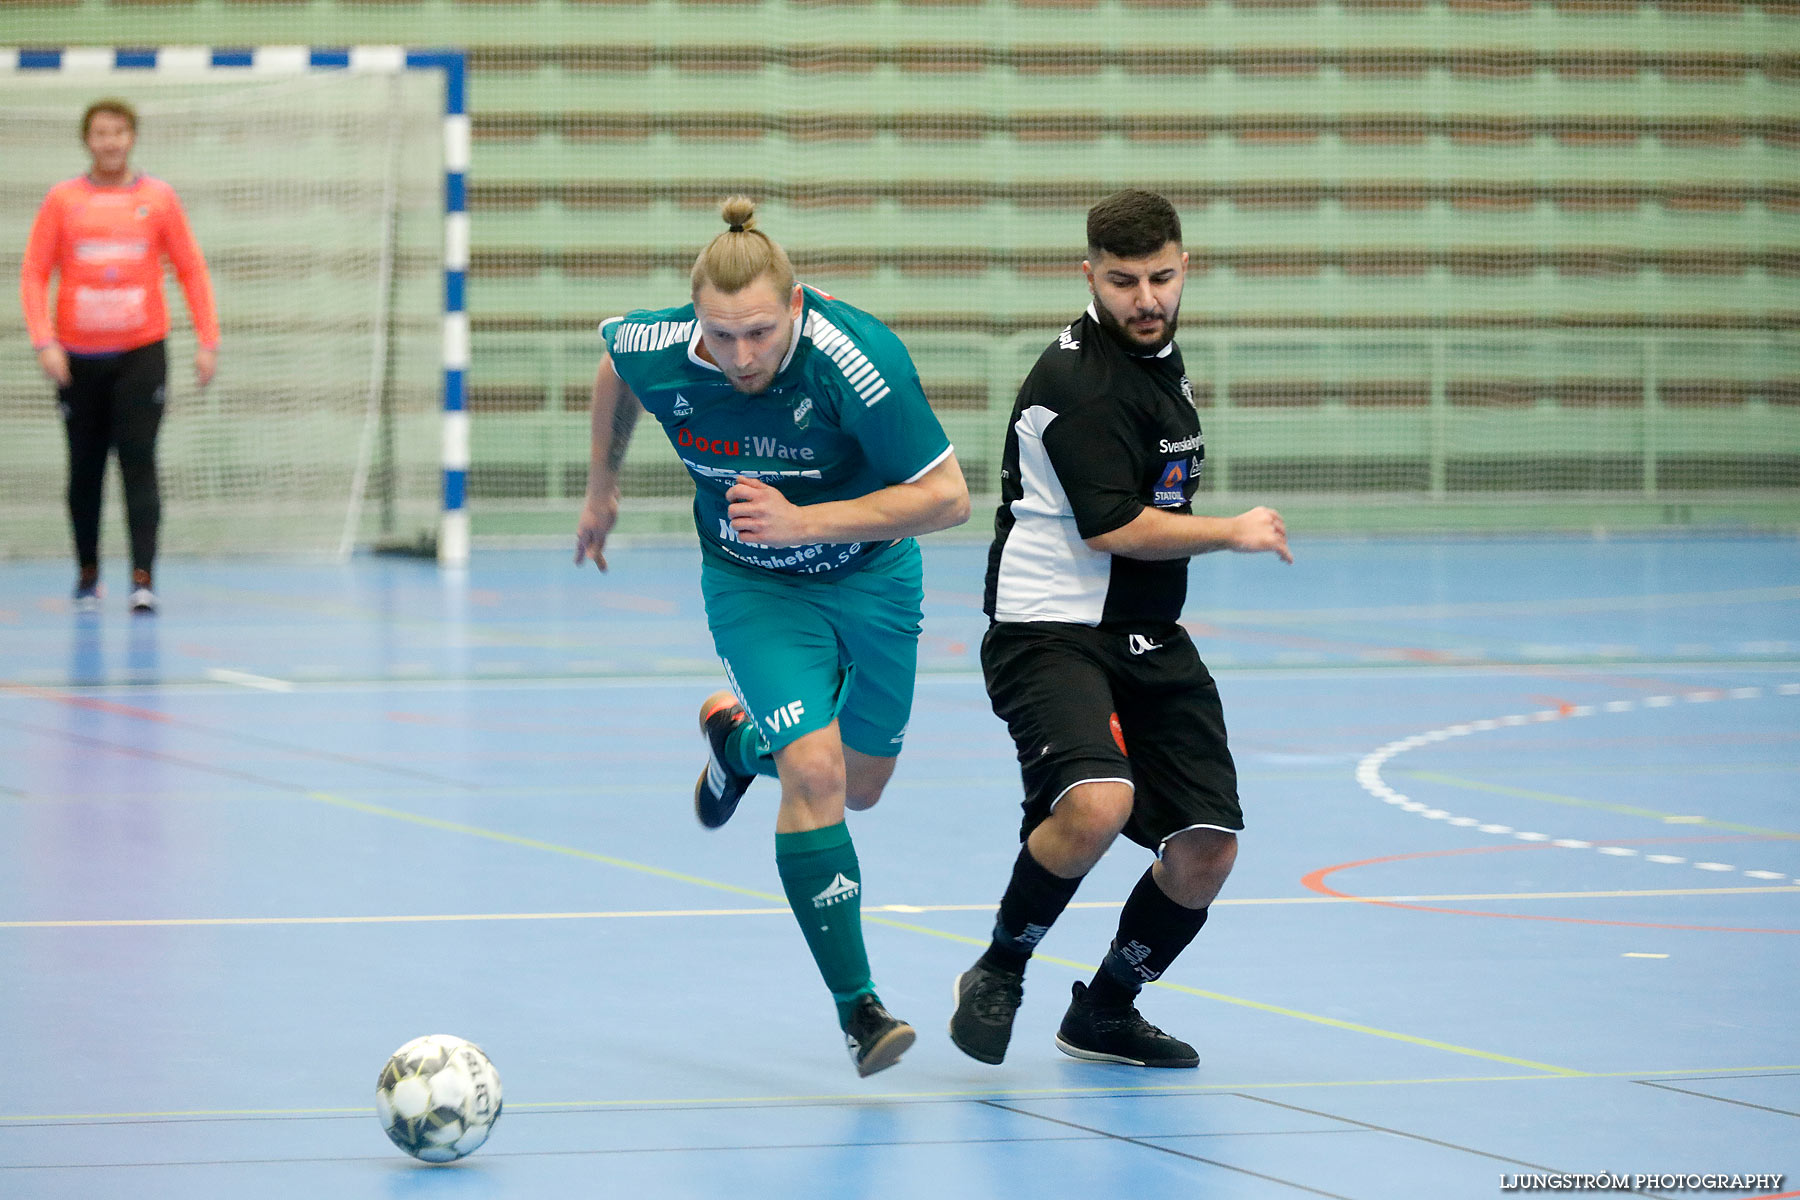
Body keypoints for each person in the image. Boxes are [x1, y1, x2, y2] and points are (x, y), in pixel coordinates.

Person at [575, 196, 970, 1077]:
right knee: (818, 772)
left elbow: (948, 498)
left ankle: (737, 743)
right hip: (754, 585)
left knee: (861, 786)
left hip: (870, 578)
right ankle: (859, 1010)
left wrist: (808, 520)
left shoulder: (856, 361)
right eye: (721, 336)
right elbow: (612, 368)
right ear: (695, 321)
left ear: (794, 308)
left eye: (758, 332)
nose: (740, 356)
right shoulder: (661, 348)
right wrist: (602, 487)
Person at [947, 189, 1292, 1070]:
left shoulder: (1161, 360)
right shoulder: (1079, 380)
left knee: (1207, 848)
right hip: (1048, 630)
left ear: (1186, 268)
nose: (1145, 298)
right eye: (1124, 281)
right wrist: (1231, 530)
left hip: (1145, 631)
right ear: (1089, 275)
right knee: (1101, 804)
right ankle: (1001, 967)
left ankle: (1106, 1008)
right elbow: (1111, 527)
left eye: (1161, 278)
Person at [20, 98, 219, 615]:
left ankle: (143, 578)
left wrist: (207, 339)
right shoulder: (63, 201)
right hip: (77, 359)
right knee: (84, 471)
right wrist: (45, 340)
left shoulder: (159, 199)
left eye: (119, 132)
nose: (109, 141)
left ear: (132, 138)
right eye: (100, 133)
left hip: (141, 354)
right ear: (87, 140)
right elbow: (34, 273)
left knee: (138, 461)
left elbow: (190, 269)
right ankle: (87, 575)